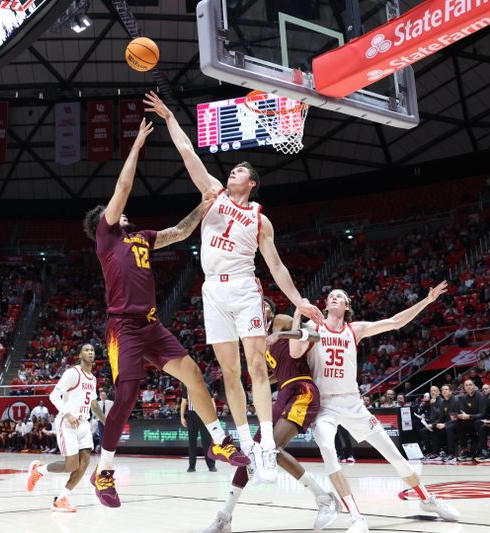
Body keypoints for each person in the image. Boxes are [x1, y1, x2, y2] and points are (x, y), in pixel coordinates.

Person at [145, 91, 324, 483]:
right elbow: (188, 154)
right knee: (229, 372)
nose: (231, 173)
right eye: (232, 171)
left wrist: (300, 302)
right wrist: (170, 118)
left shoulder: (262, 220)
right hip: (212, 290)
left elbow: (275, 266)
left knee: (256, 365)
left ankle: (264, 448)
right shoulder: (214, 195)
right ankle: (244, 441)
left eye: (239, 171)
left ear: (252, 182)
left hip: (244, 287)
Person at [83, 119, 247, 508]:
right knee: (126, 395)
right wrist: (137, 146)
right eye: (116, 211)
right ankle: (103, 471)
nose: (124, 211)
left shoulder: (141, 237)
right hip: (123, 326)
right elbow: (122, 188)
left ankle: (219, 443)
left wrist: (203, 206)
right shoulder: (107, 237)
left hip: (151, 324)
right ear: (103, 221)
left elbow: (178, 231)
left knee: (194, 376)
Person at [291, 285, 458, 532]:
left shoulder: (354, 329)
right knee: (327, 448)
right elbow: (295, 352)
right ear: (325, 306)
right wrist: (298, 312)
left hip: (353, 404)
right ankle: (357, 518)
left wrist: (426, 300)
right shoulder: (314, 327)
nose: (335, 297)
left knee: (395, 456)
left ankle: (427, 499)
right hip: (325, 405)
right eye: (331, 297)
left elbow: (394, 322)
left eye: (340, 296)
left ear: (347, 306)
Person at [205, 299, 340, 533]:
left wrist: (283, 334)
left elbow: (313, 336)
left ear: (271, 310)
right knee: (255, 452)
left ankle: (324, 498)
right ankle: (225, 516)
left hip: (302, 391)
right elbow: (281, 371)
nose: (262, 307)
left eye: (265, 304)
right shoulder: (258, 339)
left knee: (272, 449)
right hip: (282, 393)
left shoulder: (280, 322)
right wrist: (265, 382)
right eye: (258, 304)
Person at [26, 344, 106, 512]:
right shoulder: (72, 373)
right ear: (80, 355)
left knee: (84, 463)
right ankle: (38, 470)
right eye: (86, 350)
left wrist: (105, 420)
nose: (90, 352)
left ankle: (61, 499)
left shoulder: (92, 378)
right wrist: (68, 413)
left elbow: (93, 404)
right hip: (68, 423)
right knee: (71, 465)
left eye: (92, 350)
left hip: (83, 424)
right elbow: (53, 395)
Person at [180, 385, 217, 473]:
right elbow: (184, 402)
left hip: (205, 414)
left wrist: (213, 416)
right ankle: (191, 466)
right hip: (192, 416)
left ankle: (211, 465)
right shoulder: (186, 387)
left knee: (207, 442)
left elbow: (212, 401)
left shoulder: (206, 386)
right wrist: (182, 417)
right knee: (192, 442)